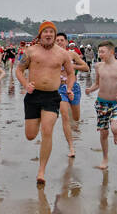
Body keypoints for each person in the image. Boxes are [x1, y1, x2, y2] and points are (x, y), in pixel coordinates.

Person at [14, 21, 74, 185]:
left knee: (47, 130)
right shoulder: (31, 51)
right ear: (40, 35)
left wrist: (69, 88)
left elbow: (71, 73)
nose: (48, 34)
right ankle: (39, 118)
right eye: (45, 32)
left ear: (55, 35)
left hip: (51, 97)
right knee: (30, 135)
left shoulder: (63, 54)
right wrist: (26, 84)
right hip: (33, 96)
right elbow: (18, 70)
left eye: (51, 32)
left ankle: (41, 171)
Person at [92, 41, 117, 170]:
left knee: (115, 128)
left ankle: (116, 134)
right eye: (99, 51)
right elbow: (97, 84)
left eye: (102, 51)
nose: (100, 54)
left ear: (111, 52)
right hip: (101, 103)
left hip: (116, 103)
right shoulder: (98, 66)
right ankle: (105, 157)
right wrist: (90, 89)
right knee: (103, 133)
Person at [55, 33, 89, 157]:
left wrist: (71, 66)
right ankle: (71, 147)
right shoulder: (51, 56)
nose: (59, 42)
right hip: (59, 89)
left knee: (75, 118)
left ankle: (74, 129)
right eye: (57, 40)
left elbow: (86, 67)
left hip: (74, 87)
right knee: (64, 116)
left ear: (66, 42)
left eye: (61, 40)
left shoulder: (72, 54)